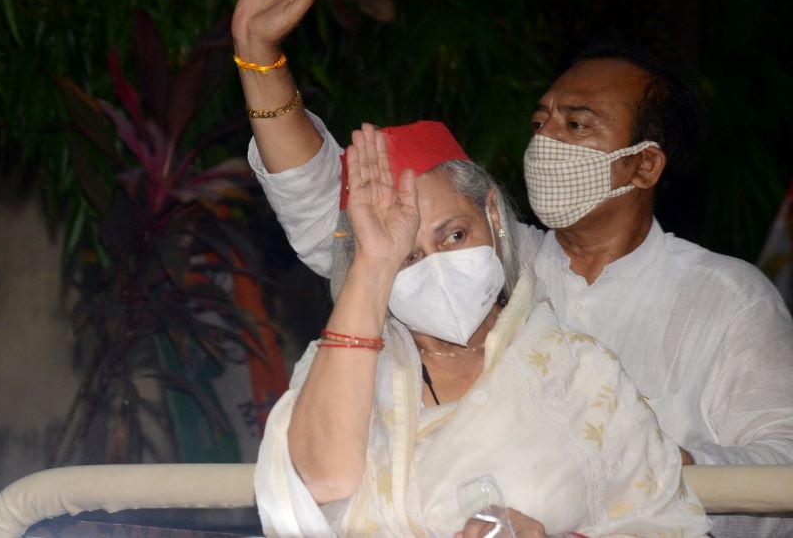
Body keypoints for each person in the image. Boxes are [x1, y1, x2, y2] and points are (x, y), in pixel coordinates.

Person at [232, 0, 793, 536]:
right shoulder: (487, 258)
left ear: (644, 166)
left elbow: (783, 469)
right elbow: (336, 210)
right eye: (541, 121)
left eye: (576, 125)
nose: (546, 138)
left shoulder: (727, 297)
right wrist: (259, 59)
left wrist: (644, 460)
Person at [254, 119, 709, 537]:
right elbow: (320, 480)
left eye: (454, 235)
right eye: (408, 257)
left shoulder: (581, 376)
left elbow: (668, 523)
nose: (437, 268)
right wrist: (375, 261)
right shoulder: (340, 368)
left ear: (492, 215)